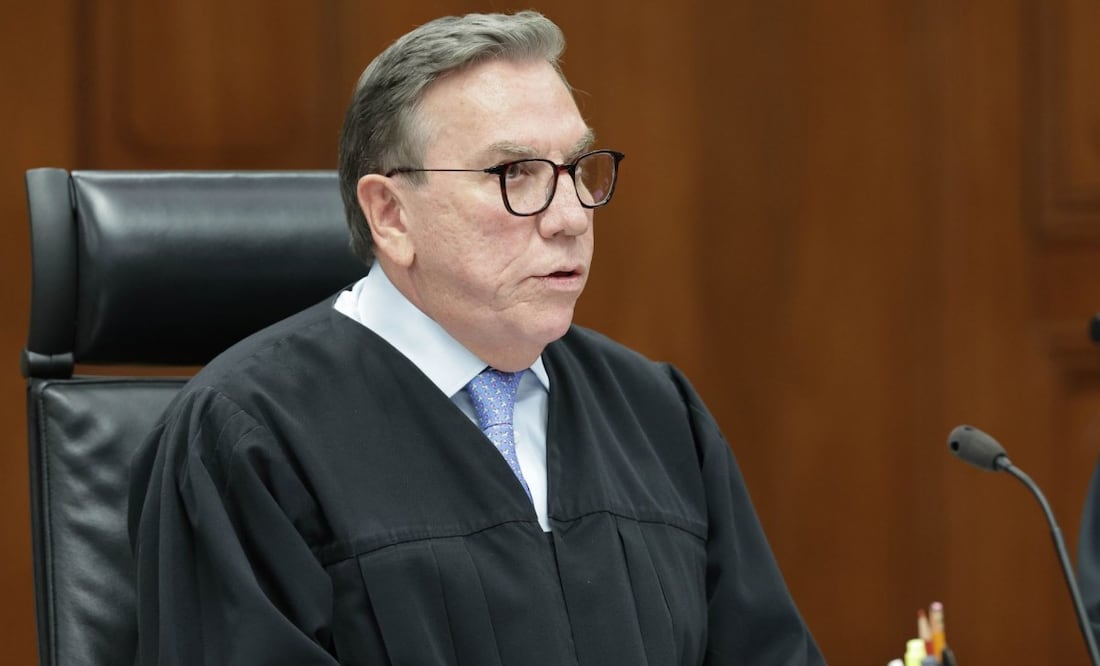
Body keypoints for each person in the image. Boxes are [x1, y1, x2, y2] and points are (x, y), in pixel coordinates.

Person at [128, 10, 825, 665]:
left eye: (579, 170)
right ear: (391, 213)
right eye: (515, 174)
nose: (571, 217)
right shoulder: (248, 437)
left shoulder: (657, 415)